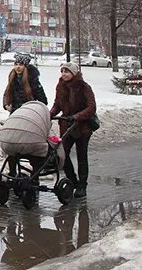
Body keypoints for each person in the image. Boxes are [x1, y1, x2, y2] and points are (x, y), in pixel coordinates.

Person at [50, 62, 97, 198]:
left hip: (82, 127)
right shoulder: (60, 86)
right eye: (62, 71)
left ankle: (82, 186)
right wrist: (49, 114)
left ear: (74, 73)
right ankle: (72, 180)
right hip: (66, 126)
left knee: (82, 156)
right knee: (62, 155)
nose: (64, 74)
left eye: (67, 71)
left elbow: (91, 107)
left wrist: (76, 117)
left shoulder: (84, 87)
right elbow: (57, 104)